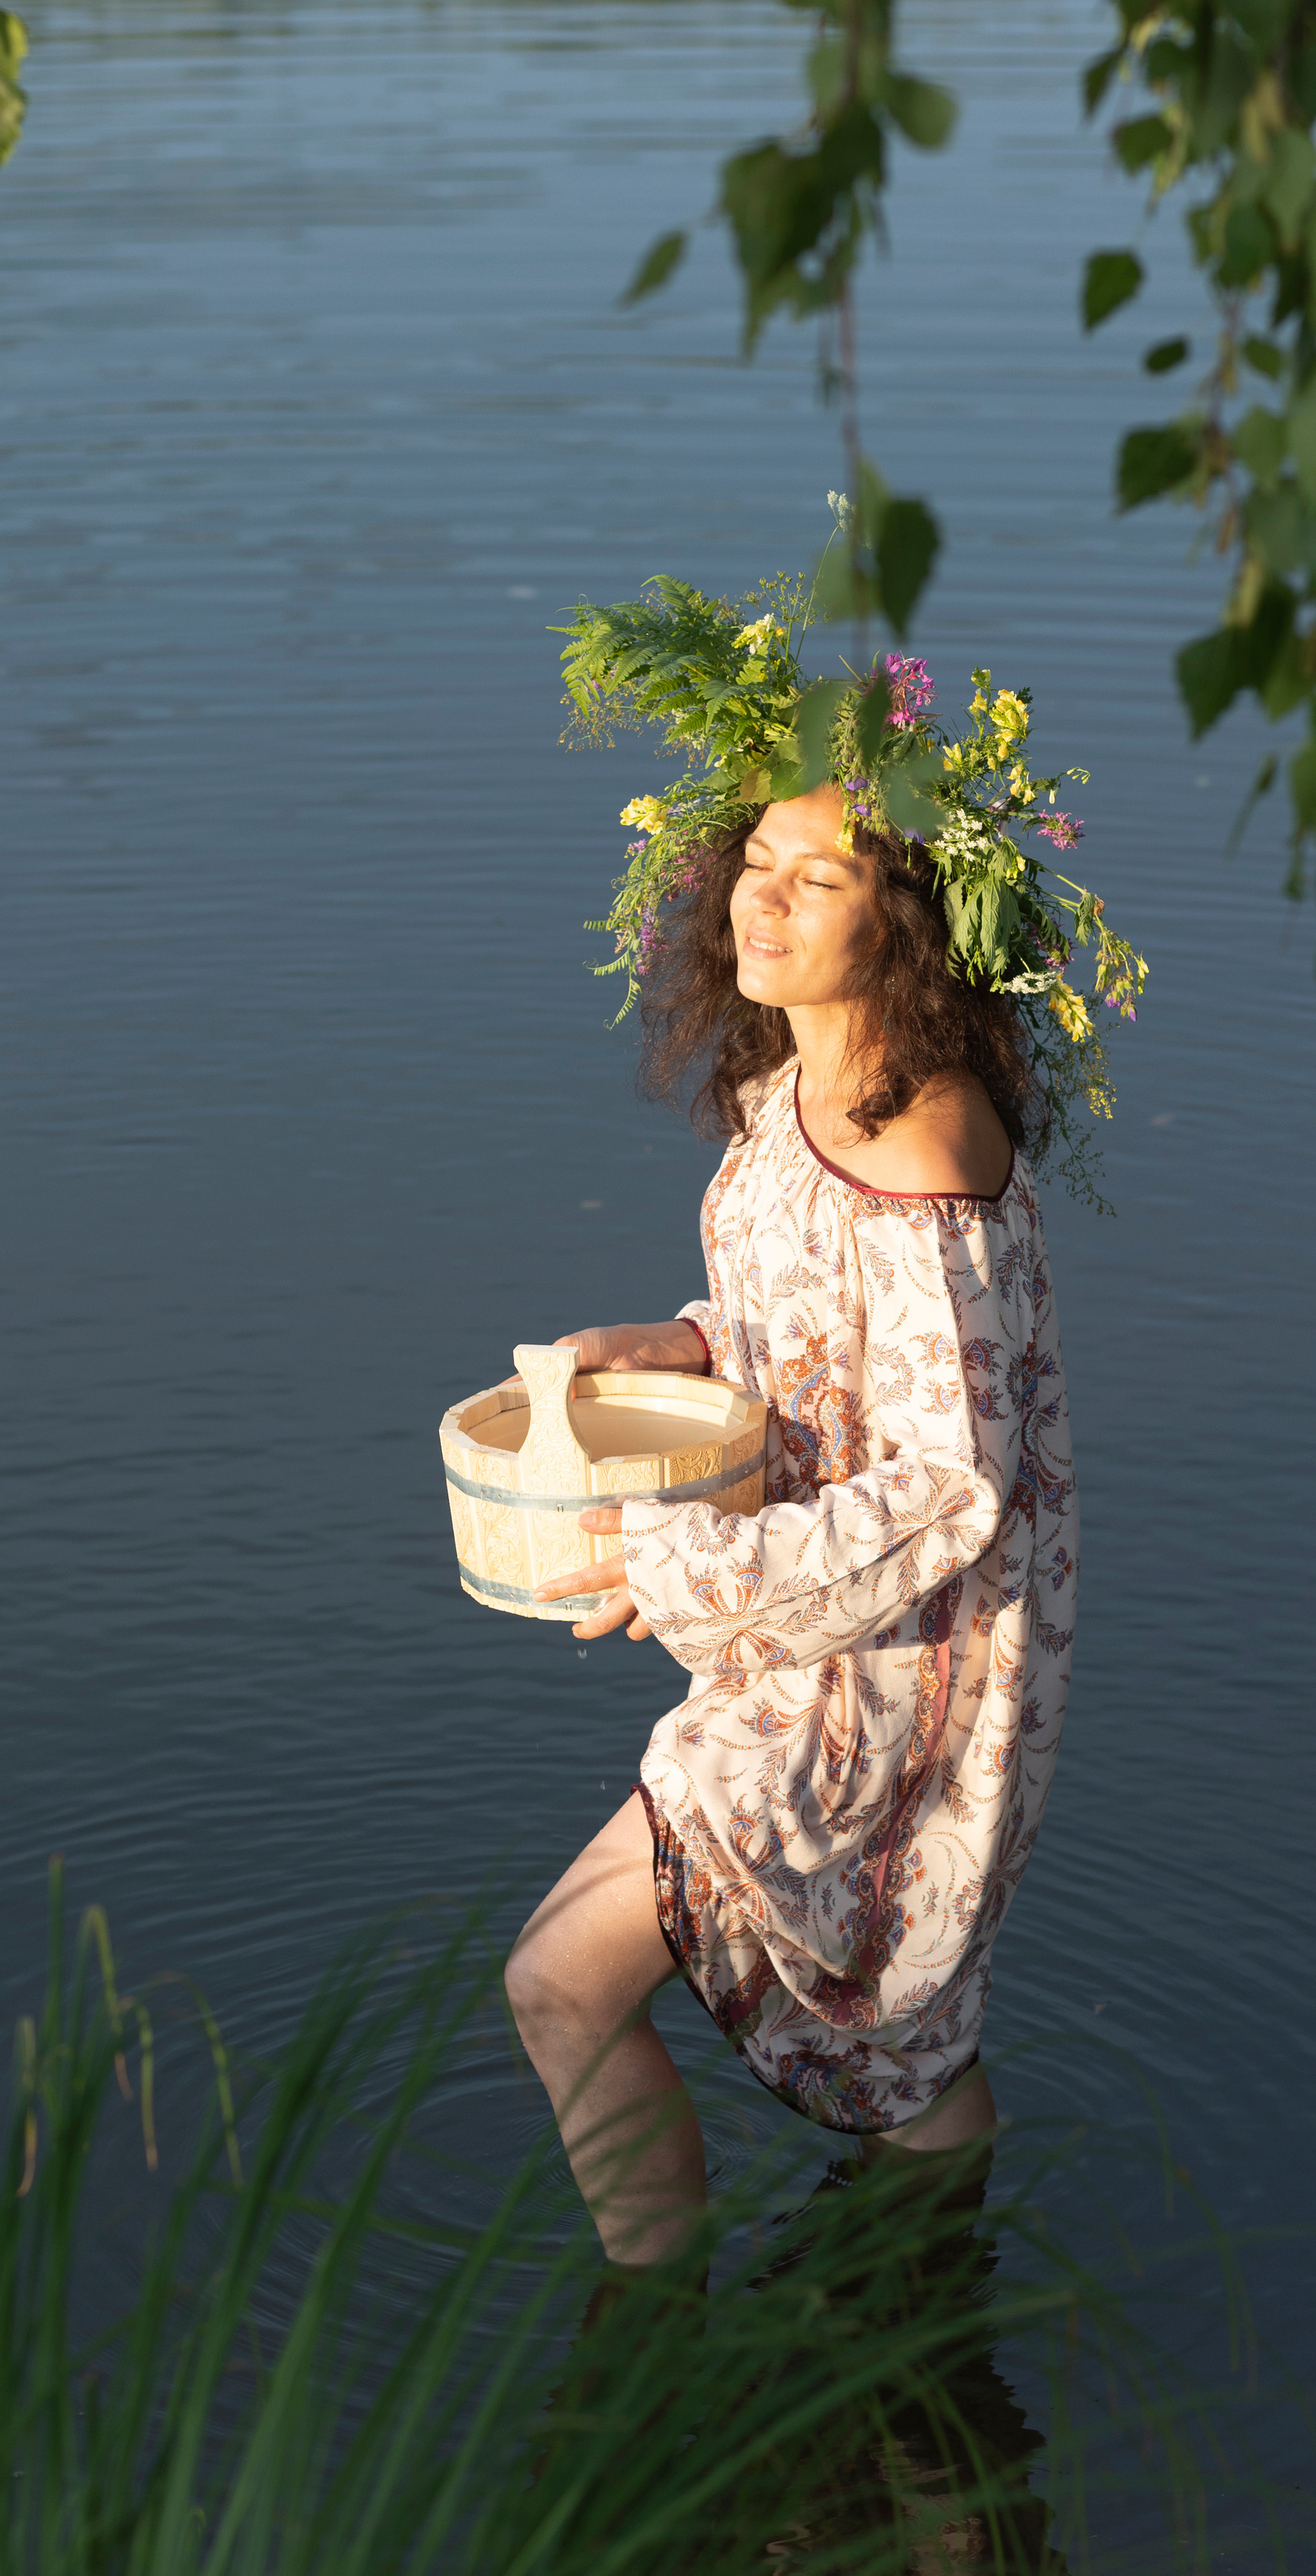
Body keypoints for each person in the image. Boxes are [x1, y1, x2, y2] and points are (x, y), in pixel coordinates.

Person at [503, 780, 1077, 2265]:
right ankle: (930, 2311)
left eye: (816, 881)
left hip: (889, 1669)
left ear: (903, 925)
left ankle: (653, 2337)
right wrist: (683, 1346)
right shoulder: (801, 1089)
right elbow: (813, 1332)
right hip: (815, 1620)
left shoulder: (920, 1157)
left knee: (561, 1982)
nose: (758, 900)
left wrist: (669, 1562)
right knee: (902, 2051)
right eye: (754, 862)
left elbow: (947, 1485)